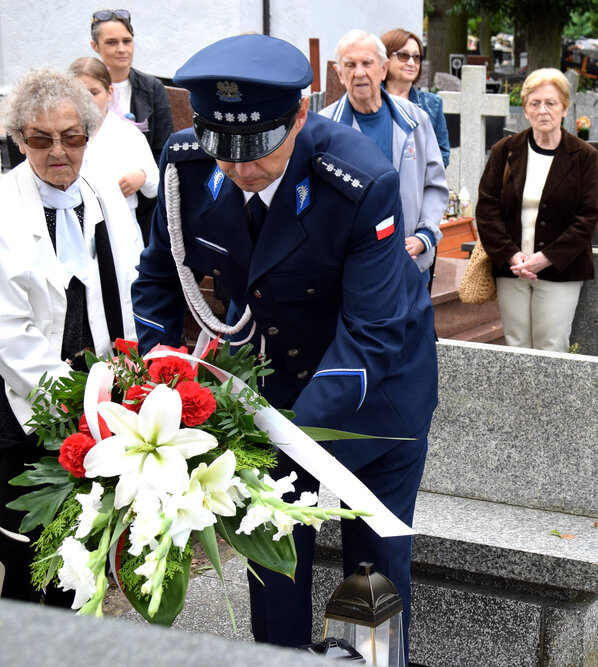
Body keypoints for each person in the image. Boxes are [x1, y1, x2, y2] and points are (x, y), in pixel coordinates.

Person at [130, 34, 437, 654]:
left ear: (299, 115)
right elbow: (161, 277)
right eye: (225, 151)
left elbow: (371, 331)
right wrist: (160, 381)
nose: (241, 169)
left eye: (258, 150)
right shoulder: (186, 165)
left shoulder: (357, 181)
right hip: (269, 385)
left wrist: (290, 434)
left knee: (371, 573)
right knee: (272, 569)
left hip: (373, 394)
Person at [0, 67, 141, 603]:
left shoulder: (102, 192)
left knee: (82, 544)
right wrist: (68, 400)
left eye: (72, 136)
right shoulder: (4, 208)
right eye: (40, 139)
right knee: (24, 547)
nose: (58, 151)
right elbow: (9, 329)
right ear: (20, 140)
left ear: (88, 135)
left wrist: (120, 388)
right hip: (23, 402)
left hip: (101, 396)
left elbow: (130, 286)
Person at [475, 68, 598, 352]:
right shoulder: (505, 151)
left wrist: (545, 258)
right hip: (512, 269)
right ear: (525, 109)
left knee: (551, 347)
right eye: (535, 103)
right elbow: (487, 209)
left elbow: (588, 217)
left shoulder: (584, 157)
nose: (543, 110)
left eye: (551, 103)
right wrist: (511, 255)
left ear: (565, 108)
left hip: (560, 270)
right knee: (515, 346)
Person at [320, 30, 448, 284]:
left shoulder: (415, 119)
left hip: (409, 261)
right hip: (350, 269)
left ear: (383, 68)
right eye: (350, 65)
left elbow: (434, 184)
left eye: (367, 63)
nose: (359, 72)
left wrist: (425, 235)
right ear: (339, 73)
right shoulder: (323, 129)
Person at [90, 8, 173, 241]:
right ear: (95, 46)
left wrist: (144, 175)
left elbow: (164, 148)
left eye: (127, 41)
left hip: (144, 203)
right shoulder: (84, 87)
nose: (121, 49)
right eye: (111, 42)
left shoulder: (152, 88)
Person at [70, 56, 159, 236]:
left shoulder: (128, 134)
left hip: (121, 226)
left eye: (93, 93)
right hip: (76, 223)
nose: (86, 101)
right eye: (78, 95)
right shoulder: (64, 137)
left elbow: (155, 185)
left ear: (109, 92)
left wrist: (142, 176)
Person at [380, 28, 450, 168]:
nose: (412, 63)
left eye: (416, 57)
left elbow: (442, 155)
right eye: (404, 56)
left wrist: (415, 174)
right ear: (385, 59)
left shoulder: (432, 104)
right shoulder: (370, 101)